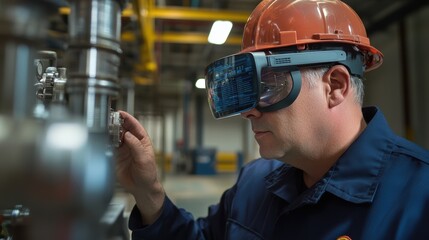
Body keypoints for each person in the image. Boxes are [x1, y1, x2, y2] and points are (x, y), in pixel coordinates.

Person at [115, 0, 429, 239]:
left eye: (270, 86)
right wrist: (148, 192)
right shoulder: (255, 181)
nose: (250, 110)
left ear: (335, 86)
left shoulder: (418, 200)